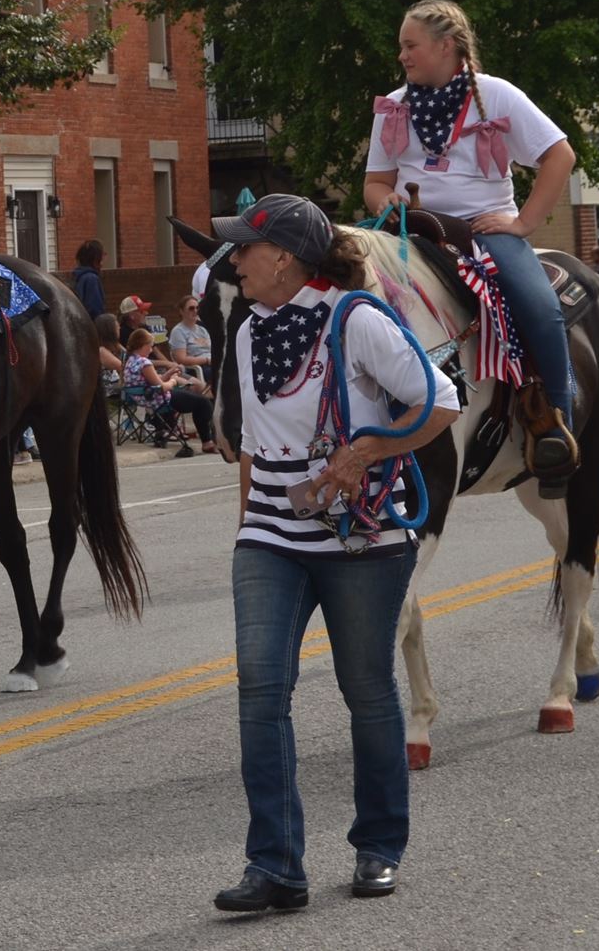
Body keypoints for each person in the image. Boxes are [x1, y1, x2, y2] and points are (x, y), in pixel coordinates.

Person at [210, 194, 460, 914]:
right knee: (260, 686)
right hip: (271, 534)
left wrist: (368, 448)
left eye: (245, 250)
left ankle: (379, 846)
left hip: (363, 536)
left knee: (367, 690)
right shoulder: (250, 329)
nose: (234, 262)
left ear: (284, 256)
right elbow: (255, 446)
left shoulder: (357, 319)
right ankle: (275, 866)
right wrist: (246, 530)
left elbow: (439, 400)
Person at [364, 0, 577, 486]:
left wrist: (523, 223)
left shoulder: (496, 95)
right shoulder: (393, 107)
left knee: (541, 309)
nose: (402, 55)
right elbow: (375, 182)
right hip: (411, 231)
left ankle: (557, 427)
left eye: (410, 45)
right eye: (401, 46)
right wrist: (383, 203)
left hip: (482, 233)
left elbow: (560, 156)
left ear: (446, 45)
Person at [69, 240, 108, 320]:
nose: (102, 264)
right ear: (95, 260)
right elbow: (95, 309)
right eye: (101, 259)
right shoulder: (91, 279)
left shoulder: (77, 278)